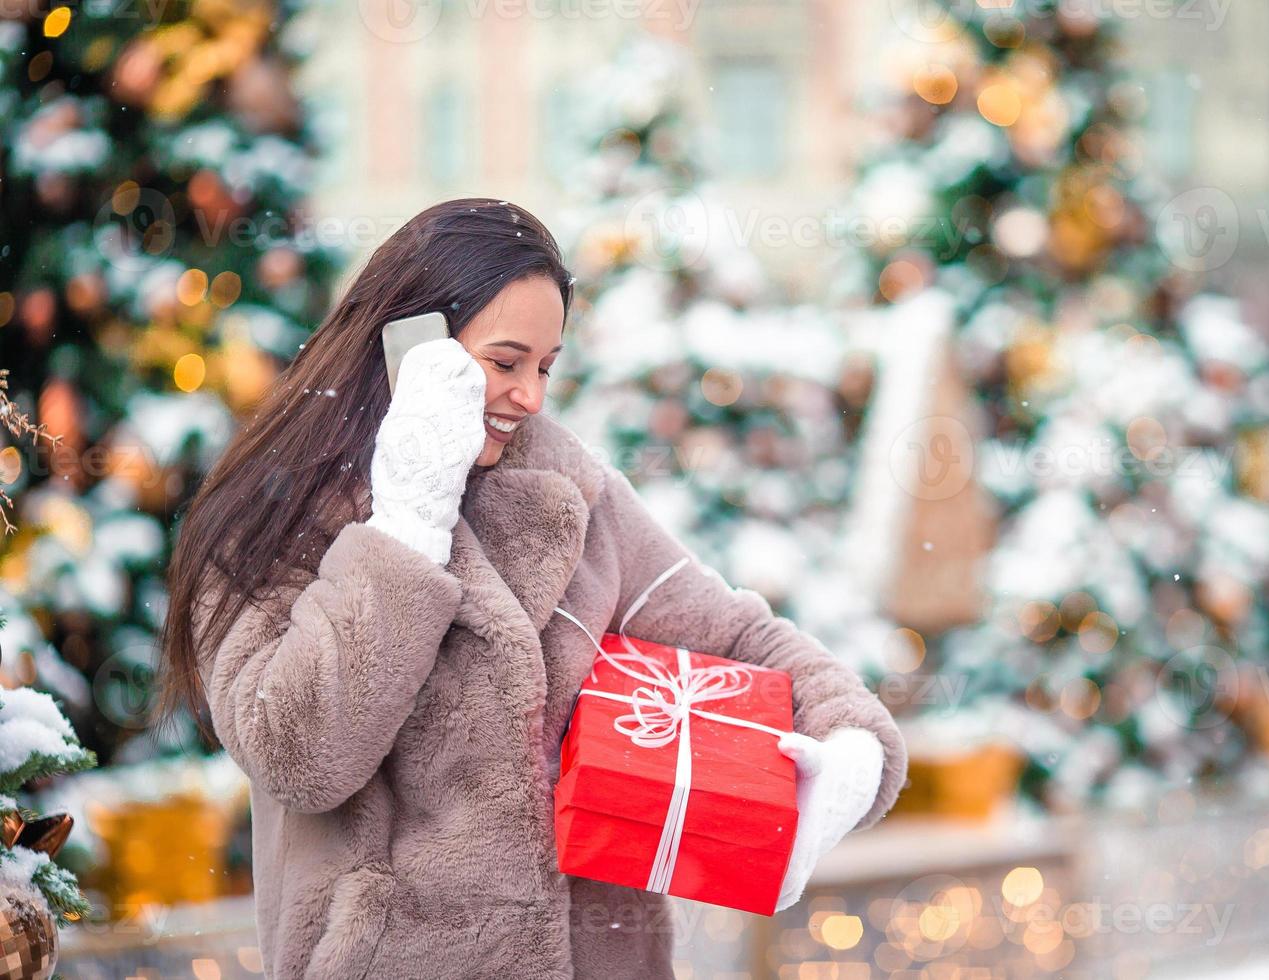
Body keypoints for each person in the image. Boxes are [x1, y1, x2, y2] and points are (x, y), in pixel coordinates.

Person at [154, 197, 908, 978]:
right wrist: (407, 525)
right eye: (505, 362)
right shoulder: (273, 518)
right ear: (412, 344)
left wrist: (849, 740)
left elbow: (738, 636)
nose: (532, 397)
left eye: (545, 367)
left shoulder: (572, 491)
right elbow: (300, 754)